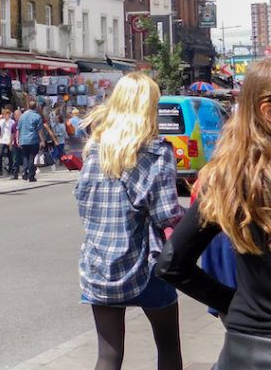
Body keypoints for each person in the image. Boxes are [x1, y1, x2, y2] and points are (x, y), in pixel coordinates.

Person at [157, 58, 271, 369]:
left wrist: (233, 303)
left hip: (245, 349)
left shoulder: (226, 180)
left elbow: (171, 263)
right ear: (267, 110)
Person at [74, 73, 183, 370]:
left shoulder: (95, 149)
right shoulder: (156, 152)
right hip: (144, 265)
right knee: (168, 345)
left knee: (108, 354)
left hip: (99, 264)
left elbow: (83, 201)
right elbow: (166, 214)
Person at [17, 98, 54, 182]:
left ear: (28, 107)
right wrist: (42, 140)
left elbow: (19, 128)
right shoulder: (37, 116)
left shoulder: (22, 116)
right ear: (36, 107)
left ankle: (24, 173)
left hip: (23, 140)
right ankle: (31, 175)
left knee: (25, 157)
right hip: (33, 140)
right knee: (32, 157)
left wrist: (18, 140)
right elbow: (40, 130)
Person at [0, 108, 15, 176]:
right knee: (0, 154)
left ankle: (11, 169)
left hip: (9, 140)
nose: (6, 115)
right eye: (5, 114)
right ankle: (0, 169)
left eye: (7, 114)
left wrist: (12, 140)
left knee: (10, 155)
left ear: (9, 114)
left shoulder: (12, 122)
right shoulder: (1, 121)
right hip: (2, 140)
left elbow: (14, 131)